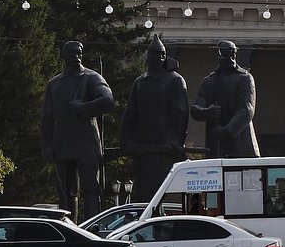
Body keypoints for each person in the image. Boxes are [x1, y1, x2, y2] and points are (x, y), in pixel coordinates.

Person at [41, 41, 115, 219]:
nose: (77, 56)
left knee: (91, 188)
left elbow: (108, 100)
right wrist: (47, 146)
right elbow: (46, 117)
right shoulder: (54, 84)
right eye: (72, 53)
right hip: (62, 143)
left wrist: (84, 107)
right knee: (66, 192)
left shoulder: (91, 78)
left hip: (86, 143)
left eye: (79, 52)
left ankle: (93, 226)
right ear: (64, 56)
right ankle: (68, 227)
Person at [121, 34, 189, 201]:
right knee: (143, 193)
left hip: (165, 148)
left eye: (161, 55)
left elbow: (181, 115)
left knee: (163, 193)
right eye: (154, 55)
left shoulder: (175, 80)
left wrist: (175, 141)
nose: (158, 58)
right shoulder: (140, 82)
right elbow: (131, 113)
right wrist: (126, 140)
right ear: (147, 58)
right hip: (143, 148)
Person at [190, 40, 259, 158]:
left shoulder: (245, 78)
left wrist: (226, 131)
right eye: (226, 54)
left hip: (240, 146)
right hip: (215, 145)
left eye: (232, 54)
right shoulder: (209, 81)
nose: (230, 57)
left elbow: (246, 110)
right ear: (219, 55)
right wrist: (206, 112)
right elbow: (196, 108)